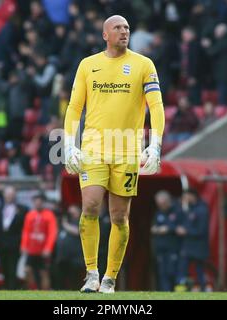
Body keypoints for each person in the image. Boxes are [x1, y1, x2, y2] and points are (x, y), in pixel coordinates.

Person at [63, 15, 165, 293]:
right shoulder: (88, 65)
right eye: (118, 28)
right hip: (94, 147)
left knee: (119, 216)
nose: (124, 32)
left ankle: (110, 277)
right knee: (91, 207)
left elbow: (156, 106)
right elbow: (74, 107)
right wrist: (70, 144)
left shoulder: (144, 65)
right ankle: (91, 273)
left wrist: (155, 144)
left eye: (127, 28)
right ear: (105, 35)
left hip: (128, 150)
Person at [0, 186, 27, 290]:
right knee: (4, 269)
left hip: (16, 245)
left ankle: (12, 291)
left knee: (13, 270)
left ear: (15, 196)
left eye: (12, 194)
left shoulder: (23, 210)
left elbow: (26, 229)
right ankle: (7, 290)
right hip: (1, 245)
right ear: (4, 195)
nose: (9, 196)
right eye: (7, 194)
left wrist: (25, 244)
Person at [21, 193, 57, 290]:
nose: (38, 204)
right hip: (32, 249)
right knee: (28, 270)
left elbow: (52, 233)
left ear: (43, 203)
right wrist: (24, 245)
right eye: (35, 202)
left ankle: (45, 292)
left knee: (43, 272)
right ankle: (33, 290)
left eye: (40, 202)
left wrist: (48, 248)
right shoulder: (29, 215)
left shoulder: (49, 215)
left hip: (43, 250)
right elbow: (26, 231)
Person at [175, 189, 210, 292]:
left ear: (192, 196)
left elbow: (201, 230)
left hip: (199, 246)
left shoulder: (202, 210)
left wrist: (186, 231)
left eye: (186, 196)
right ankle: (181, 289)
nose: (185, 199)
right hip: (187, 245)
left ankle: (203, 289)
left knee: (200, 270)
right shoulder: (189, 208)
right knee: (182, 268)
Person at [151, 190, 183, 291]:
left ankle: (174, 292)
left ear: (167, 201)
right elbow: (153, 228)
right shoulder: (159, 213)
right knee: (162, 272)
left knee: (172, 271)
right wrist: (158, 229)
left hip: (173, 248)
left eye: (162, 203)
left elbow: (181, 228)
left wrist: (168, 228)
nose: (161, 206)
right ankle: (165, 293)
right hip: (160, 248)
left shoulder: (177, 210)